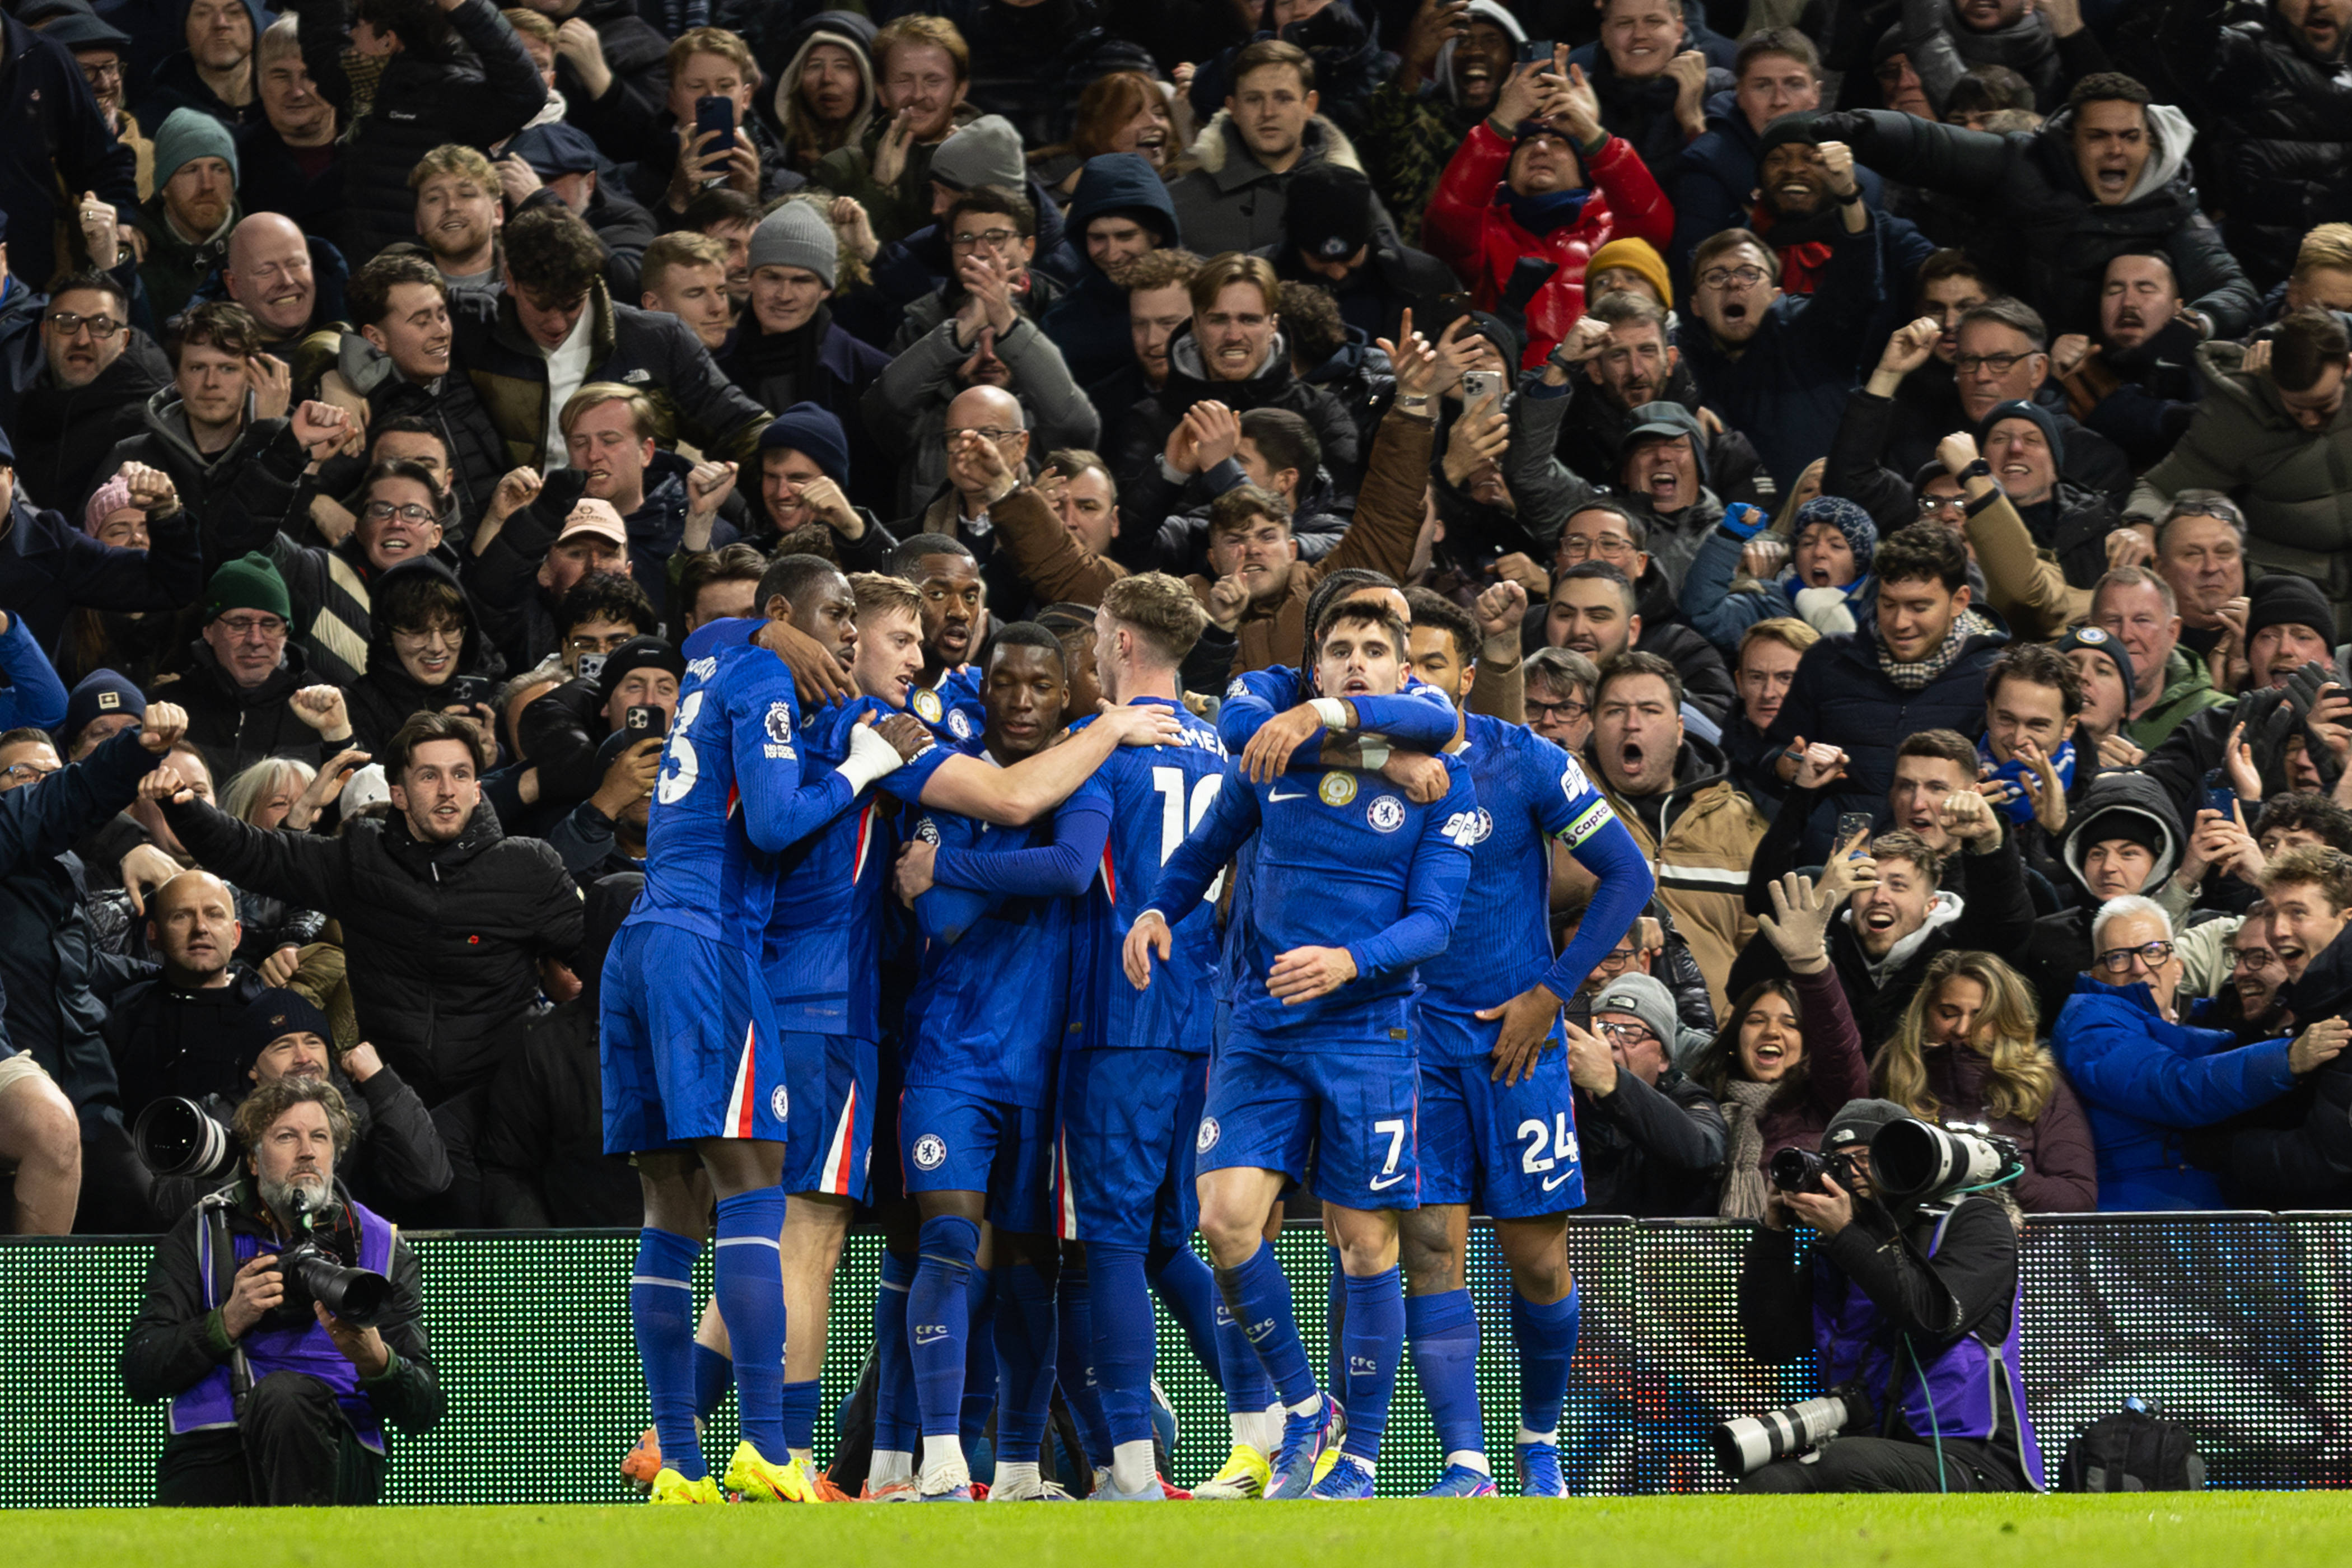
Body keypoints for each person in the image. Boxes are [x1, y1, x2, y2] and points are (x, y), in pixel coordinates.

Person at [1127, 598, 1478, 1501]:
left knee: (1365, 1244)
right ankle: (1302, 1405)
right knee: (1224, 1218)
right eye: (1339, 651)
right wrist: (1161, 908)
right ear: (1314, 666)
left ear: (1403, 671)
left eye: (1374, 651)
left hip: (1370, 1030)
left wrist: (1347, 962)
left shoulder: (1442, 772)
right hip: (1262, 1027)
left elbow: (1435, 925)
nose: (1356, 663)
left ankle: (1357, 1460)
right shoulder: (1271, 752)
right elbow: (1204, 849)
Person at [1394, 592, 1654, 1497]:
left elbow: (1630, 873)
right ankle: (1467, 1464)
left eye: (1433, 663)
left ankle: (1538, 1442)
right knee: (1430, 1247)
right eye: (1403, 664)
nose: (1416, 679)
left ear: (1470, 676)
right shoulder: (1359, 772)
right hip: (1411, 1040)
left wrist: (1551, 993)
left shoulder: (1528, 762)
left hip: (1519, 1041)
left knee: (1539, 1260)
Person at [152, 711, 582, 1116]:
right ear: (399, 794)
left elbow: (600, 961)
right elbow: (256, 854)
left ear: (476, 788)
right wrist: (185, 808)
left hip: (501, 1096)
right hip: (392, 1098)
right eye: (429, 776)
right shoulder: (361, 859)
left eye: (460, 774)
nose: (447, 790)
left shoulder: (528, 867)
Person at [119, 1076, 441, 1504]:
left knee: (286, 1397)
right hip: (216, 1447)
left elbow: (424, 1410)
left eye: (320, 1138)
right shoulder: (204, 1229)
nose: (307, 1150)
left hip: (337, 1447)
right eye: (287, 1137)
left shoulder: (381, 1243)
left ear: (335, 1156)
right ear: (253, 1161)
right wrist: (225, 1322)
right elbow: (141, 1369)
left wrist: (379, 1362)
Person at [1737, 1095, 2044, 1492]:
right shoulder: (1838, 1248)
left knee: (1848, 1461)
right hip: (1870, 1447)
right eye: (1837, 1161)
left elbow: (1933, 1319)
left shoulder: (1976, 1222)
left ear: (1905, 1160)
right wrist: (1773, 1232)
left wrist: (1847, 1235)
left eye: (1864, 1157)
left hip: (1972, 1460)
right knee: (1769, 1484)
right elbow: (1771, 1343)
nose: (1850, 1172)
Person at [1812, 74, 2257, 339]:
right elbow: (1935, 147)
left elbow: (2236, 292)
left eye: (2130, 136)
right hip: (2005, 352)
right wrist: (1862, 127)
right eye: (2098, 136)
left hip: (2100, 373)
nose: (2116, 151)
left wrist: (2195, 324)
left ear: (2151, 140)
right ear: (2071, 141)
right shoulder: (2026, 162)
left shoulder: (2174, 207)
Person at [0, 703, 190, 1233]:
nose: (39, 784)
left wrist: (180, 973)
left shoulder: (67, 870)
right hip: (30, 1063)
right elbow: (62, 802)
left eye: (49, 774)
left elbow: (88, 967)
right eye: (22, 775)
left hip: (84, 1092)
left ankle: (32, 1316)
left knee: (141, 1203)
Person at [2050, 894, 2339, 1208]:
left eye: (2153, 951)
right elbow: (2174, 1086)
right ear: (2096, 973)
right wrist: (2289, 1057)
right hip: (2140, 1218)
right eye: (2118, 957)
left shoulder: (2181, 1024)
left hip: (2203, 1207)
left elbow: (2220, 1043)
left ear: (2178, 968)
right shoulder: (2090, 1021)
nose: (2139, 968)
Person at [1765, 523, 2009, 858]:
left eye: (1919, 607)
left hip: (1945, 874)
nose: (1899, 623)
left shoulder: (1995, 677)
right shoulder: (1829, 660)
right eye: (1889, 604)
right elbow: (1773, 754)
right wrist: (1787, 766)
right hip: (1830, 864)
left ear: (1960, 601)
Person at [1420, 50, 1672, 367]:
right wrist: (1502, 120)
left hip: (1606, 392)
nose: (1540, 147)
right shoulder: (1484, 231)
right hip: (1509, 402)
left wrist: (1588, 130)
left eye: (1557, 143)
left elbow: (1653, 224)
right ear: (1507, 165)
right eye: (1527, 142)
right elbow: (1448, 220)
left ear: (1581, 167)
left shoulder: (1610, 229)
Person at [2127, 307, 2352, 631]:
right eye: (2298, 409)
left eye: (2324, 405)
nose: (2311, 420)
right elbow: (2159, 487)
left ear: (2347, 367)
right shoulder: (2235, 415)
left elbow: (2329, 323)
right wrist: (2141, 526)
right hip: (2292, 583)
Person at [288, 0, 545, 268]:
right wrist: (466, 7)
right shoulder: (365, 85)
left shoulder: (374, 89)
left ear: (388, 41)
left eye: (358, 25)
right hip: (402, 277)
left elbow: (323, 44)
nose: (350, 35)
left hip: (420, 278)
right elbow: (324, 46)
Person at [1575, 651, 1764, 1014]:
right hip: (1588, 1036)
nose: (1632, 724)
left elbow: (1760, 953)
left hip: (1709, 1046)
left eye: (1650, 710)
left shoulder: (1739, 821)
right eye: (1615, 711)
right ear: (1593, 726)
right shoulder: (1566, 805)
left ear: (1679, 730)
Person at [1687, 871, 1870, 1219]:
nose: (1771, 1032)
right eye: (1756, 1021)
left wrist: (1810, 965)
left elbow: (1839, 1048)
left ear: (1807, 1044)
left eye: (1790, 1025)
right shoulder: (1699, 1102)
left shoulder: (1827, 1106)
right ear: (1735, 1035)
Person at [1676, 198, 1882, 493]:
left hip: (1824, 529)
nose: (1733, 284)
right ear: (1696, 305)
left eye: (1749, 273)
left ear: (1775, 295)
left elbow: (1854, 289)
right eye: (1716, 276)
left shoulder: (1818, 339)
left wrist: (1850, 201)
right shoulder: (1684, 372)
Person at [1873, 948, 2098, 1211]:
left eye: (1982, 1017)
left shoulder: (2040, 1084)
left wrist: (2000, 1171)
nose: (1962, 1029)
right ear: (1925, 1013)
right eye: (1948, 1013)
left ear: (2006, 1020)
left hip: (2013, 1243)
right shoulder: (1892, 1074)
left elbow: (2078, 1197)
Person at [1168, 40, 1375, 258]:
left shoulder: (1351, 196)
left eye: (1283, 98)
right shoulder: (1178, 202)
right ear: (1233, 109)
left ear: (1309, 105)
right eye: (1254, 99)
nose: (1268, 112)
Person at [1566, 970, 1728, 1216]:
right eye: (1601, 1027)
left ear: (1663, 1058)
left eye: (1630, 1033)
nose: (1610, 1041)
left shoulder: (1689, 1099)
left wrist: (1612, 1083)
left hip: (1658, 1251)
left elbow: (1702, 1154)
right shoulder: (1561, 1096)